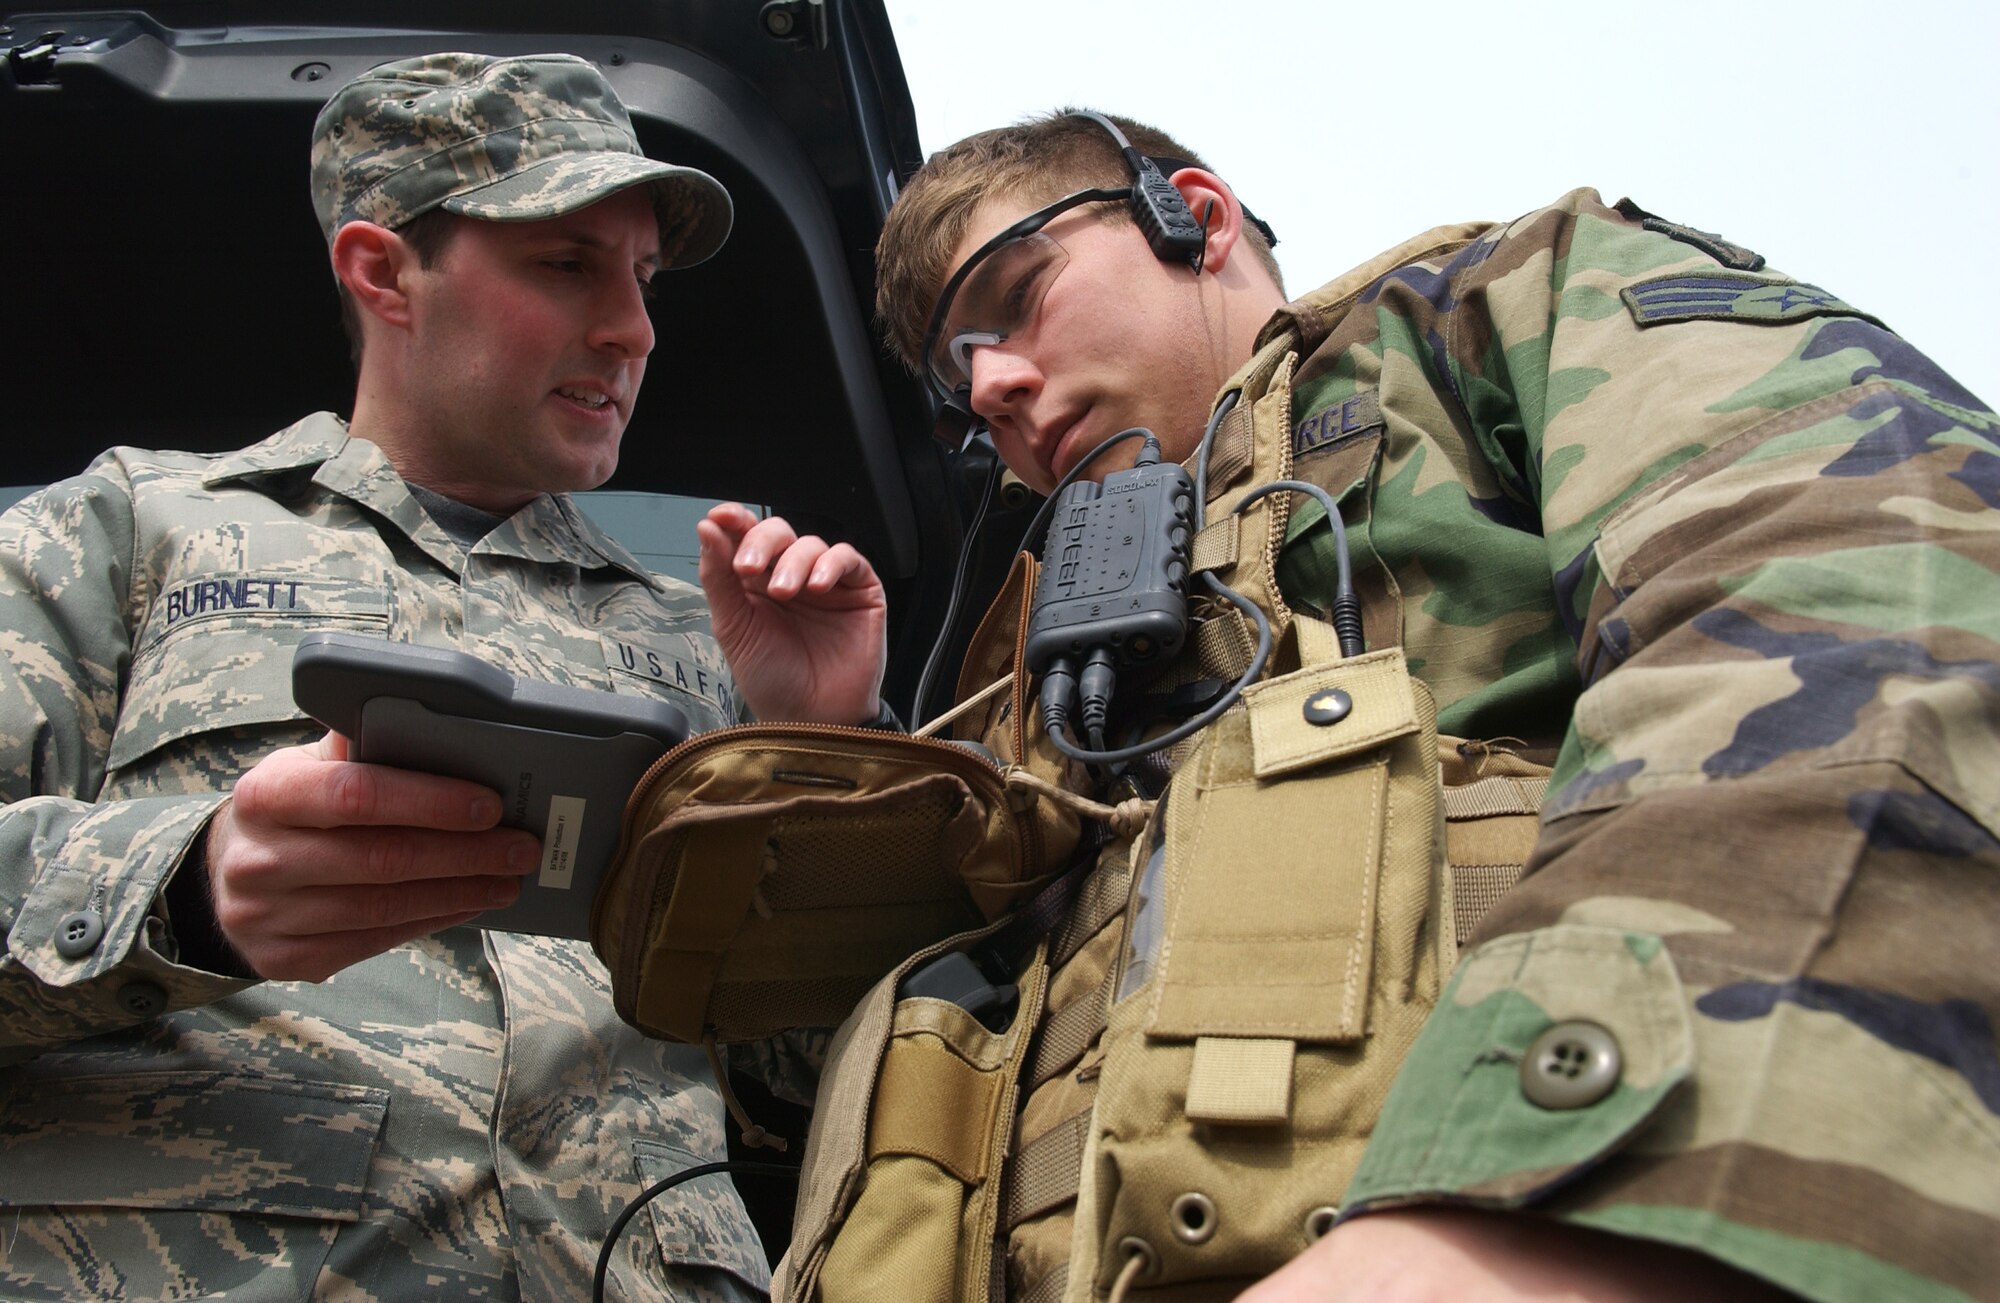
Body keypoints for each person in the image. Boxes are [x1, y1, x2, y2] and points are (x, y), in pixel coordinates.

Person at [805, 110, 1999, 1302]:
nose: (995, 386)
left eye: (1016, 295)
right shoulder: (1039, 681)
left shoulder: (1486, 311)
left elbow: (1863, 589)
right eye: (958, 377)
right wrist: (840, 734)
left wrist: (1553, 1212)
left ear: (1195, 220)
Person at [0, 52, 885, 1301]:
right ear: (381, 272)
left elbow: (824, 1086)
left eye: (639, 277)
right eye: (567, 264)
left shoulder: (704, 640)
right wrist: (183, 895)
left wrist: (823, 746)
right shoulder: (127, 532)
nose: (633, 328)